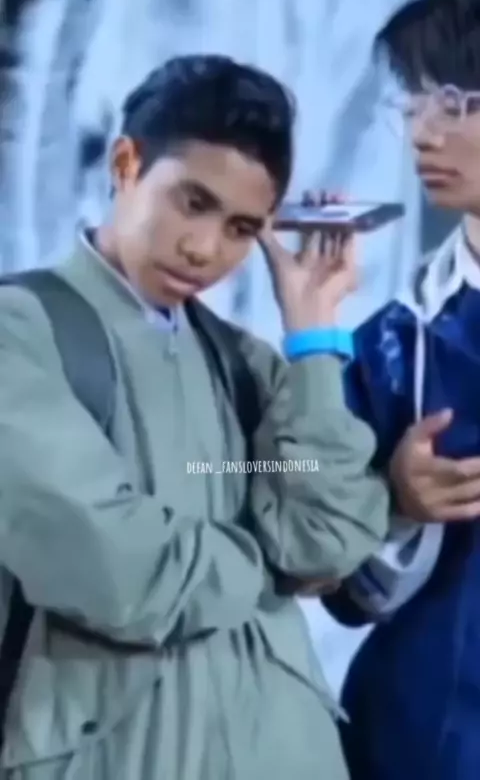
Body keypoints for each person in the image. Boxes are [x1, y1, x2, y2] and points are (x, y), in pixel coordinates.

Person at [0, 54, 389, 780]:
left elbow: (328, 538)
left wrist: (313, 335)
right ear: (126, 164)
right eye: (192, 202)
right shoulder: (22, 331)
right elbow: (118, 570)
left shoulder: (246, 361)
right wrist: (270, 561)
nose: (205, 250)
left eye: (242, 228)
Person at [322, 0, 480, 780]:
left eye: (454, 103)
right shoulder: (400, 342)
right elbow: (344, 590)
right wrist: (397, 505)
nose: (423, 133)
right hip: (419, 745)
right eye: (413, 105)